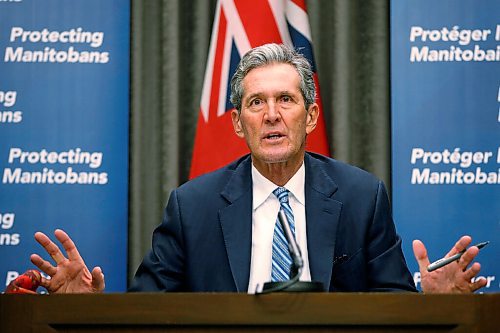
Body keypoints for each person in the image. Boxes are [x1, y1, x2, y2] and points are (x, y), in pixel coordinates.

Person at [29, 43, 487, 294]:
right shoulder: (192, 207)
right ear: (237, 123)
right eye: (256, 103)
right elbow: (148, 311)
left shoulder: (361, 196)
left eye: (286, 100)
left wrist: (428, 306)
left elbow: (391, 302)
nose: (271, 114)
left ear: (309, 116)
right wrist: (89, 309)